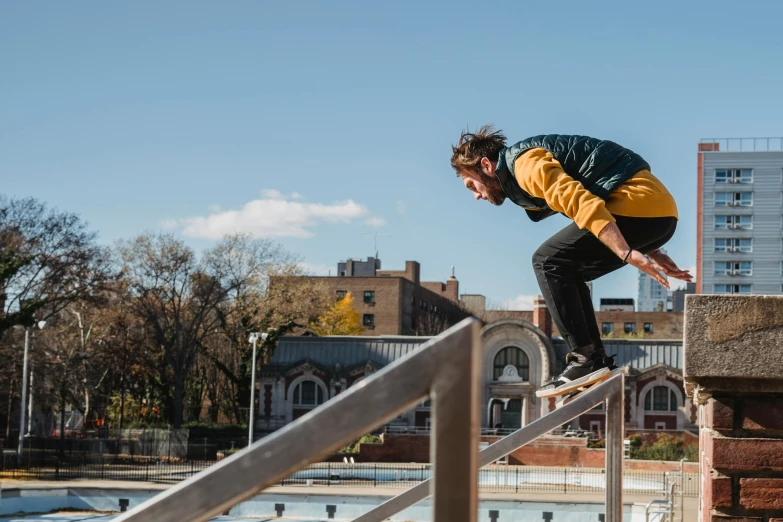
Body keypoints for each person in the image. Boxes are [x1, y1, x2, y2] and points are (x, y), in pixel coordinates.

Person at [450, 127, 693, 398]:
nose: (476, 195)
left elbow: (579, 201)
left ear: (486, 165)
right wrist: (653, 247)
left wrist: (626, 250)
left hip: (637, 205)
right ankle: (595, 359)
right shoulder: (518, 177)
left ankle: (584, 359)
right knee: (567, 268)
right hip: (656, 211)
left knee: (546, 262)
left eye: (473, 185)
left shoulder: (524, 165)